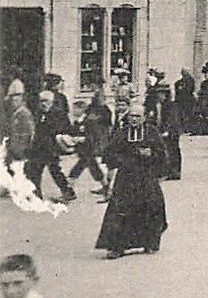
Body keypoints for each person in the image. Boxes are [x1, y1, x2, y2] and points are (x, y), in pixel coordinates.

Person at [93, 103, 168, 259]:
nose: (134, 119)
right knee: (120, 210)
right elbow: (109, 153)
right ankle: (118, 246)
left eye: (138, 116)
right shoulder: (121, 133)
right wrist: (123, 159)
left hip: (146, 176)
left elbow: (162, 155)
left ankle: (150, 242)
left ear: (144, 118)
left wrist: (150, 154)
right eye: (131, 116)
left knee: (152, 207)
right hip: (126, 177)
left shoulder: (152, 132)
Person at [67, 88, 112, 198]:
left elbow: (98, 131)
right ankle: (106, 189)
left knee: (83, 166)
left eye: (76, 109)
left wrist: (84, 138)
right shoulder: (86, 114)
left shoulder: (98, 114)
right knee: (90, 166)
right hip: (85, 144)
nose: (73, 111)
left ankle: (68, 189)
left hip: (90, 144)